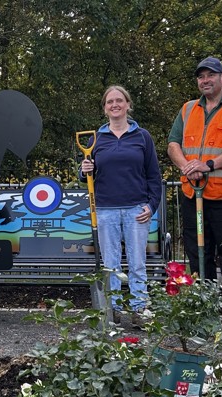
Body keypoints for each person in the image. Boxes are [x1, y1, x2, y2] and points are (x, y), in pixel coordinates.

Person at [167, 57, 222, 303]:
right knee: (197, 253)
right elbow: (173, 144)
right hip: (193, 195)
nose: (205, 80)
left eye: (211, 75)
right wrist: (186, 167)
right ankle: (202, 303)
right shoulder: (187, 109)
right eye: (201, 76)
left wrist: (209, 165)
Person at [80, 85, 162, 326]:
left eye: (119, 100)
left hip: (136, 208)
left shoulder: (142, 136)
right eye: (110, 102)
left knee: (137, 263)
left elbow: (153, 175)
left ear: (128, 105)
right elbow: (86, 175)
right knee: (111, 264)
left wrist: (152, 205)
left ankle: (139, 308)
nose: (114, 105)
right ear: (105, 108)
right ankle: (112, 308)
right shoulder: (96, 139)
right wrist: (84, 170)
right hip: (105, 209)